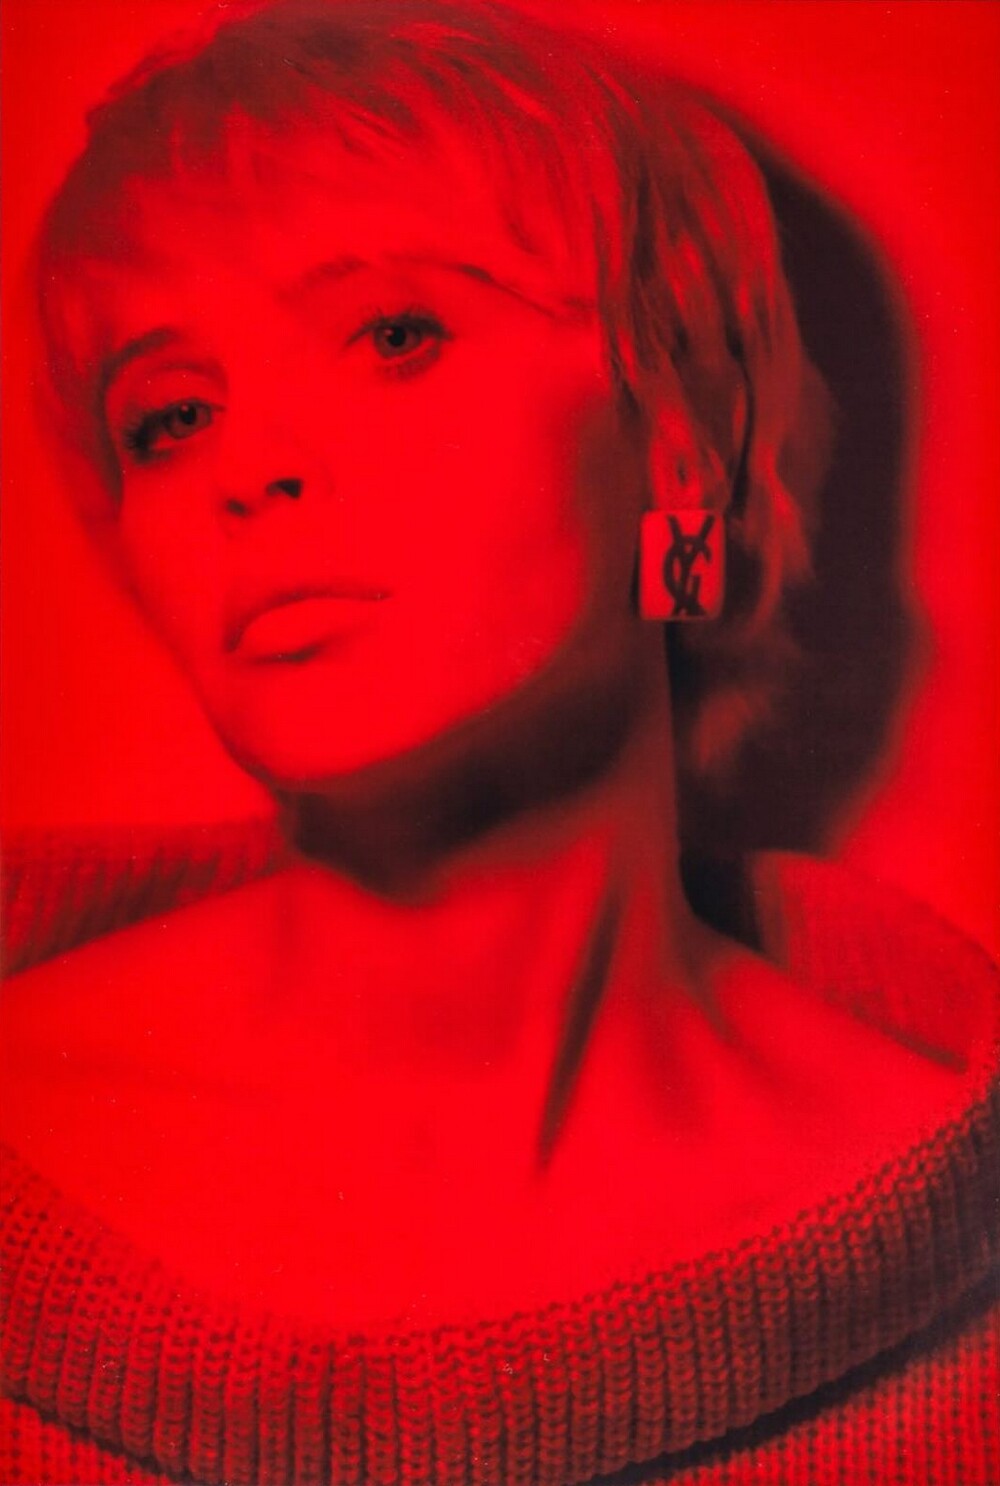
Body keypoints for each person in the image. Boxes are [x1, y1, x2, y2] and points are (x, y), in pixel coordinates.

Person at [1, 2, 996, 1482]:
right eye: (172, 415)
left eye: (395, 334)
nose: (249, 467)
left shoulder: (956, 1259)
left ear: (679, 443)